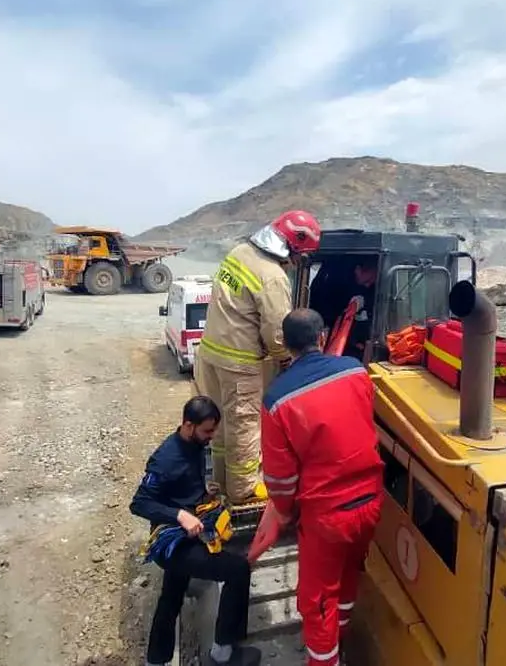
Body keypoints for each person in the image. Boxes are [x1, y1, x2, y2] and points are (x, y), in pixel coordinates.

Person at [259, 309, 385, 666]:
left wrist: (283, 512)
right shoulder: (357, 371)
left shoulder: (277, 400)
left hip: (327, 518)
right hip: (371, 501)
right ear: (323, 334)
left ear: (284, 344)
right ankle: (340, 639)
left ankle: (325, 658)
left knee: (317, 602)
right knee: (347, 575)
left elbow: (280, 480)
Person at [195, 209, 323, 504]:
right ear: (293, 246)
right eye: (299, 255)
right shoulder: (273, 277)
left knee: (223, 425)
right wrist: (287, 360)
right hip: (240, 363)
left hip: (212, 353)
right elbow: (279, 331)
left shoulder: (239, 252)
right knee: (245, 426)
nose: (295, 262)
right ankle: (244, 491)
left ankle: (224, 483)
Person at [130, 396, 261, 666]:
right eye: (207, 431)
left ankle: (156, 660)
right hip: (174, 543)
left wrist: (202, 493)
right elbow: (139, 503)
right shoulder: (166, 459)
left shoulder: (195, 444)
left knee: (172, 597)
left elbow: (184, 486)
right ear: (188, 426)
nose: (211, 437)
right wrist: (179, 515)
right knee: (238, 570)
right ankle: (223, 652)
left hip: (188, 536)